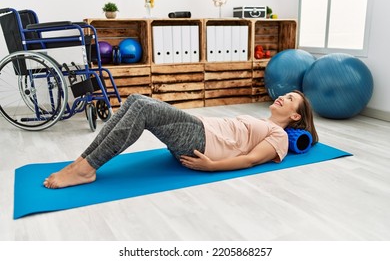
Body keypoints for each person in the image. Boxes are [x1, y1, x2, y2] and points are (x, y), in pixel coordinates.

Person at [43, 91, 318, 189]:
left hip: (202, 143)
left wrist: (212, 167)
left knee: (144, 109)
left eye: (291, 99)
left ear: (295, 117)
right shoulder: (262, 120)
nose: (283, 96)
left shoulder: (279, 136)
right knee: (136, 100)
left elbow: (250, 160)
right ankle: (82, 162)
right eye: (287, 94)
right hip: (199, 128)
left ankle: (85, 170)